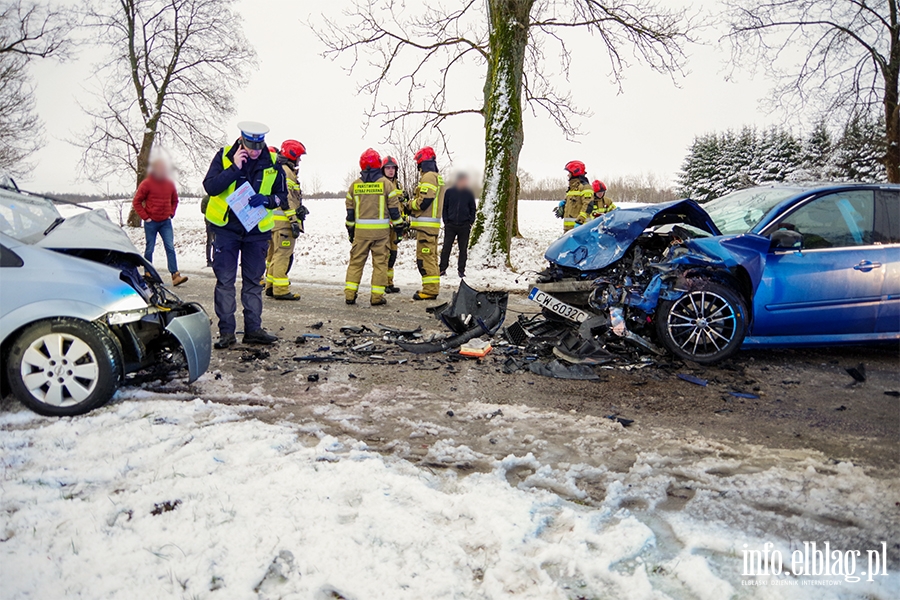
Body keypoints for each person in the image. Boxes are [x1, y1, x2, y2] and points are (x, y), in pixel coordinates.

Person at [202, 121, 287, 349]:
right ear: (241, 140)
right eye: (251, 146)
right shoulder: (223, 156)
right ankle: (227, 332)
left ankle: (253, 330)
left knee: (253, 283)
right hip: (226, 230)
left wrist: (267, 201)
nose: (255, 151)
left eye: (258, 147)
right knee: (226, 282)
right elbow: (210, 187)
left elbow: (282, 196)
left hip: (256, 233)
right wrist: (234, 170)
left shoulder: (272, 162)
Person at [344, 148, 405, 306]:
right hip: (381, 235)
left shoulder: (354, 186)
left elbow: (350, 215)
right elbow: (394, 212)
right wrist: (399, 230)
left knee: (356, 263)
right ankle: (377, 297)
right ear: (379, 165)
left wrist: (351, 232)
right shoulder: (386, 184)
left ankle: (350, 295)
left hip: (360, 234)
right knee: (380, 264)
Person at [132, 155, 187, 286]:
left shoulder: (169, 184)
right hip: (151, 222)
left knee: (170, 247)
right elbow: (137, 201)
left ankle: (175, 275)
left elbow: (175, 200)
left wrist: (171, 213)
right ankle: (148, 273)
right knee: (149, 248)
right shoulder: (146, 184)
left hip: (165, 222)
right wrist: (146, 217)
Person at [264, 139, 307, 301]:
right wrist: (293, 220)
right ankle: (280, 289)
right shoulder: (286, 172)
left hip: (275, 223)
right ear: (292, 155)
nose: (300, 160)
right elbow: (287, 199)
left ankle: (270, 285)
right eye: (299, 156)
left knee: (275, 254)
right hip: (284, 223)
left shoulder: (278, 169)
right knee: (283, 254)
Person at [407, 146, 446, 300]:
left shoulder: (428, 177)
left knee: (425, 259)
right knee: (432, 258)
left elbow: (424, 202)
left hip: (426, 229)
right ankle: (432, 288)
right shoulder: (437, 176)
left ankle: (430, 291)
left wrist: (409, 205)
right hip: (432, 228)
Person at [439, 172, 477, 278]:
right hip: (450, 225)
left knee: (463, 249)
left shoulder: (469, 193)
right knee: (446, 247)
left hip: (464, 225)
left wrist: (470, 221)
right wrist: (446, 221)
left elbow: (473, 208)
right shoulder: (449, 192)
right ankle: (442, 269)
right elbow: (445, 207)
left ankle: (461, 270)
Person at [380, 156, 406, 293]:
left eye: (393, 168)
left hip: (395, 226)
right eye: (387, 168)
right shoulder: (380, 184)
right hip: (384, 226)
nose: (390, 171)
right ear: (382, 169)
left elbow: (401, 206)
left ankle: (390, 283)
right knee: (384, 255)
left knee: (393, 255)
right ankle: (383, 283)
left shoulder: (398, 184)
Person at [561, 160, 593, 232]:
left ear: (575, 172)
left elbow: (588, 205)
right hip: (569, 229)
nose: (568, 175)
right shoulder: (572, 188)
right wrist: (563, 207)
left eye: (569, 172)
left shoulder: (585, 187)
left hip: (581, 229)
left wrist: (580, 221)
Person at [200, 195, 214, 267]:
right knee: (209, 242)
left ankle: (215, 259)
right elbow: (202, 210)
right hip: (209, 222)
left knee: (216, 242)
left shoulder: (217, 197)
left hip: (217, 222)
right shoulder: (206, 198)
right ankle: (209, 260)